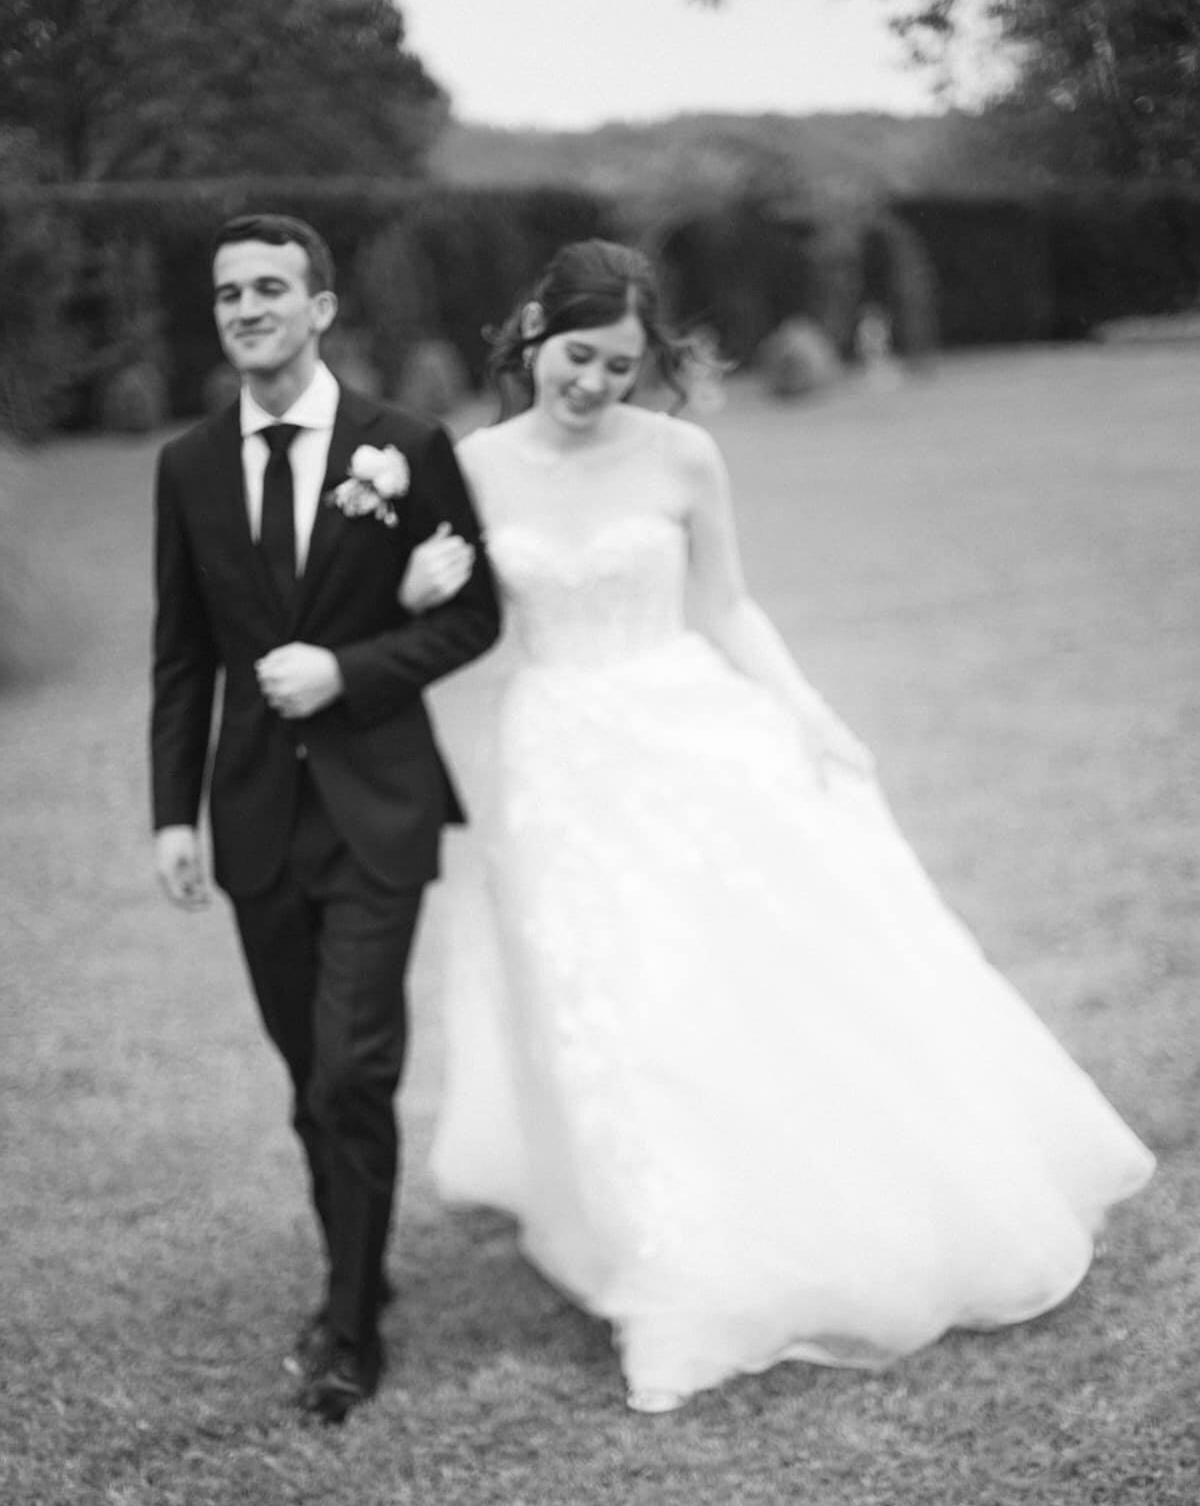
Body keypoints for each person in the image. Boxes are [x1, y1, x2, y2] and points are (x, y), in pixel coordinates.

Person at [400, 238, 1155, 1415]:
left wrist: (811, 715)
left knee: (748, 978)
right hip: (556, 756)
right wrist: (420, 589)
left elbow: (728, 605)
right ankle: (667, 1266)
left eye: (621, 366)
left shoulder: (684, 455)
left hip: (690, 730)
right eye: (578, 356)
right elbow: (451, 630)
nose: (594, 384)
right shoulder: (472, 464)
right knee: (606, 1003)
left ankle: (776, 1226)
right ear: (535, 333)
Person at [150, 213, 500, 1422]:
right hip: (251, 815)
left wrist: (347, 671)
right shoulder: (187, 465)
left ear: (321, 307)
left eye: (269, 289)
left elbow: (472, 619)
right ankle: (362, 1262)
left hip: (377, 807)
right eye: (227, 293)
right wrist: (171, 814)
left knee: (356, 1067)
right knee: (310, 1077)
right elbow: (182, 658)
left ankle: (348, 1325)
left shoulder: (404, 447)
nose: (245, 308)